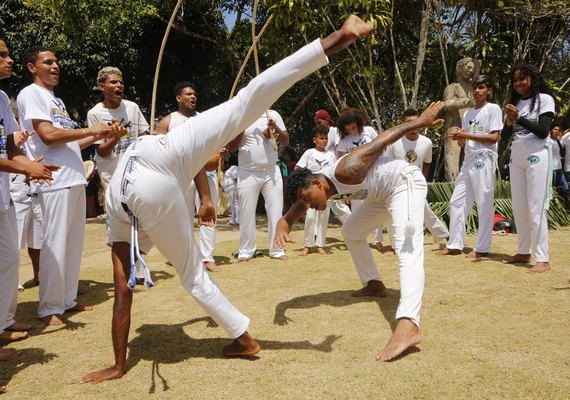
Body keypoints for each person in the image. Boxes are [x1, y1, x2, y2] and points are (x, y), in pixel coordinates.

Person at [79, 15, 374, 384]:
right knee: (247, 100)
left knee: (192, 276)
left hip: (143, 179)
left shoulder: (123, 200)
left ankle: (245, 339)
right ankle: (335, 38)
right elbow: (191, 164)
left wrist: (118, 365)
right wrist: (203, 196)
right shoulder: (158, 143)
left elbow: (123, 291)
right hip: (157, 157)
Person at [275, 101, 445, 362]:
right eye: (305, 202)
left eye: (308, 198)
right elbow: (297, 207)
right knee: (352, 230)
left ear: (318, 183)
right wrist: (283, 223)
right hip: (380, 197)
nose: (307, 205)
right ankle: (374, 284)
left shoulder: (348, 167)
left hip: (403, 183)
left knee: (406, 245)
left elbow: (383, 138)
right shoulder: (318, 187)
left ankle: (409, 323)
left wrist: (419, 123)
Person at [16, 45, 120, 325]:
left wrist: (103, 134)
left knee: (73, 246)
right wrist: (91, 129)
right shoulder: (30, 94)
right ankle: (50, 307)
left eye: (56, 62)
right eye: (48, 62)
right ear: (31, 68)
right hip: (54, 180)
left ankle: (66, 299)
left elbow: (72, 140)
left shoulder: (56, 101)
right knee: (54, 244)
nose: (55, 66)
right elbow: (48, 136)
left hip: (74, 179)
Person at [0, 38, 58, 369]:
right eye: (2, 55)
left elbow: (10, 146)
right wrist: (26, 167)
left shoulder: (1, 100)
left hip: (4, 193)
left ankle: (4, 323)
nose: (8, 60)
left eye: (9, 54)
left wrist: (29, 167)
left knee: (8, 259)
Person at [155, 81, 223, 272]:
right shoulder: (168, 121)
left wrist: (217, 154)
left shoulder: (205, 119)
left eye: (194, 94)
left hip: (206, 174)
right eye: (188, 94)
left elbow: (215, 147)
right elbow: (157, 148)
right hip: (180, 177)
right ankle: (187, 256)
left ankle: (207, 257)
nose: (193, 97)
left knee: (209, 213)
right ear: (178, 98)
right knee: (181, 217)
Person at [501, 63, 558, 273]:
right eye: (515, 80)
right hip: (517, 157)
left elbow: (543, 131)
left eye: (522, 79)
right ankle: (524, 251)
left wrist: (519, 118)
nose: (518, 84)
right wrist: (508, 122)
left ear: (533, 79)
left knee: (536, 207)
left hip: (537, 155)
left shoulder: (545, 99)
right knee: (519, 207)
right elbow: (505, 137)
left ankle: (543, 258)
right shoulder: (514, 103)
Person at [438, 75, 502, 259]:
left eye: (481, 87)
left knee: (483, 203)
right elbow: (463, 144)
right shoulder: (468, 114)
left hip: (485, 159)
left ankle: (482, 248)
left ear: (488, 90)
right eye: (475, 87)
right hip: (468, 161)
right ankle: (455, 244)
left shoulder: (493, 109)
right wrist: (460, 138)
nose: (477, 91)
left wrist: (467, 135)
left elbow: (493, 137)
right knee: (456, 201)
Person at [227, 108, 289, 262]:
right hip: (247, 172)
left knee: (275, 211)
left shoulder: (272, 114)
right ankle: (246, 251)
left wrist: (274, 129)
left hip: (271, 171)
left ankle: (277, 249)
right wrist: (243, 126)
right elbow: (231, 147)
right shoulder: (239, 116)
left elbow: (285, 141)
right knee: (246, 213)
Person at [384, 108, 449, 249]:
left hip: (416, 184)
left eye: (416, 122)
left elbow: (427, 163)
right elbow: (387, 164)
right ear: (403, 124)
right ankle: (395, 245)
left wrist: (422, 181)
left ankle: (444, 235)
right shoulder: (394, 141)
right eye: (409, 123)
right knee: (392, 213)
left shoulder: (426, 142)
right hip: (396, 184)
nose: (413, 126)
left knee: (424, 209)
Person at [87, 66, 149, 214]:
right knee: (117, 229)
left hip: (136, 177)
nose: (119, 85)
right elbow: (101, 152)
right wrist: (116, 138)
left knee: (139, 223)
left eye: (121, 82)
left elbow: (144, 137)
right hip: (113, 179)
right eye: (114, 82)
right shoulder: (94, 113)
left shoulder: (132, 107)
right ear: (102, 87)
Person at [295, 125, 336, 255]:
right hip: (311, 191)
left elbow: (334, 172)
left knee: (324, 218)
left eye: (326, 139)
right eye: (321, 138)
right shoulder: (309, 153)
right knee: (310, 218)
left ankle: (320, 245)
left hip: (326, 191)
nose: (324, 141)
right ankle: (308, 245)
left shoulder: (331, 155)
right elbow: (298, 168)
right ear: (314, 139)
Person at [314, 108, 352, 223]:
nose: (318, 124)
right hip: (324, 172)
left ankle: (351, 224)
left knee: (337, 202)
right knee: (325, 201)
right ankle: (316, 235)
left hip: (335, 171)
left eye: (320, 122)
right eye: (316, 123)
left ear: (327, 120)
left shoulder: (335, 131)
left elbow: (340, 151)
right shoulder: (319, 134)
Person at [10, 172, 43, 286]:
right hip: (16, 197)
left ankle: (38, 275)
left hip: (37, 195)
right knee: (15, 242)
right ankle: (13, 280)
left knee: (37, 240)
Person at [549, 122, 570, 209]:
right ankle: (553, 208)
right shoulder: (547, 140)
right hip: (552, 169)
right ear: (550, 130)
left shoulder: (557, 141)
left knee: (565, 188)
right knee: (551, 189)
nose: (557, 131)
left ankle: (559, 205)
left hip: (559, 168)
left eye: (558, 130)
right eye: (555, 129)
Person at [221, 160, 240, 225]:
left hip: (233, 188)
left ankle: (238, 220)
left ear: (226, 164)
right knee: (232, 205)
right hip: (229, 189)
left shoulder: (233, 168)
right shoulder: (228, 170)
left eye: (223, 164)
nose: (222, 166)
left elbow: (236, 178)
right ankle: (233, 220)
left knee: (235, 203)